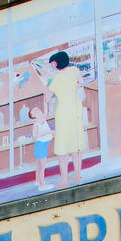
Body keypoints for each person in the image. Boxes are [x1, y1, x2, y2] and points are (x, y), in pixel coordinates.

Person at [37, 51, 85, 189]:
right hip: (76, 109)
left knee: (63, 147)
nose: (51, 66)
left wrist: (46, 88)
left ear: (55, 63)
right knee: (76, 143)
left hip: (63, 112)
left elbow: (47, 99)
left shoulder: (56, 79)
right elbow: (80, 83)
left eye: (52, 63)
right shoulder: (75, 70)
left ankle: (64, 179)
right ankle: (77, 175)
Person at [28, 105, 54, 190]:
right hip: (40, 145)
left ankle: (37, 181)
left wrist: (45, 100)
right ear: (33, 116)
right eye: (34, 111)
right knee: (42, 166)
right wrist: (49, 132)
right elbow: (35, 136)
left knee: (39, 166)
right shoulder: (36, 123)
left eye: (37, 108)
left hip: (43, 145)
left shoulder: (43, 118)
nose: (37, 109)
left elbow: (45, 109)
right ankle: (42, 185)